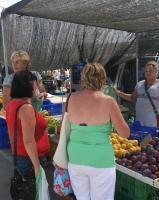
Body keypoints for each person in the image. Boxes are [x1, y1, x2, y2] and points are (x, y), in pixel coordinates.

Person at [66, 62, 130, 199]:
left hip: (75, 157)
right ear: (102, 79)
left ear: (83, 77)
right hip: (100, 159)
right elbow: (125, 133)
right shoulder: (108, 101)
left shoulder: (70, 98)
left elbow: (63, 129)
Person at [5, 70, 50, 179]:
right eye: (35, 83)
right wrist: (37, 166)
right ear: (29, 85)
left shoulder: (12, 103)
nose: (36, 87)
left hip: (21, 156)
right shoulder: (26, 108)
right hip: (29, 159)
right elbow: (28, 140)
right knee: (35, 193)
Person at [114, 61, 159, 127]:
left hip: (153, 120)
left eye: (150, 71)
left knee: (152, 137)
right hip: (140, 118)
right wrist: (118, 93)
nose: (148, 73)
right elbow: (132, 97)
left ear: (156, 71)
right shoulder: (140, 84)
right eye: (146, 71)